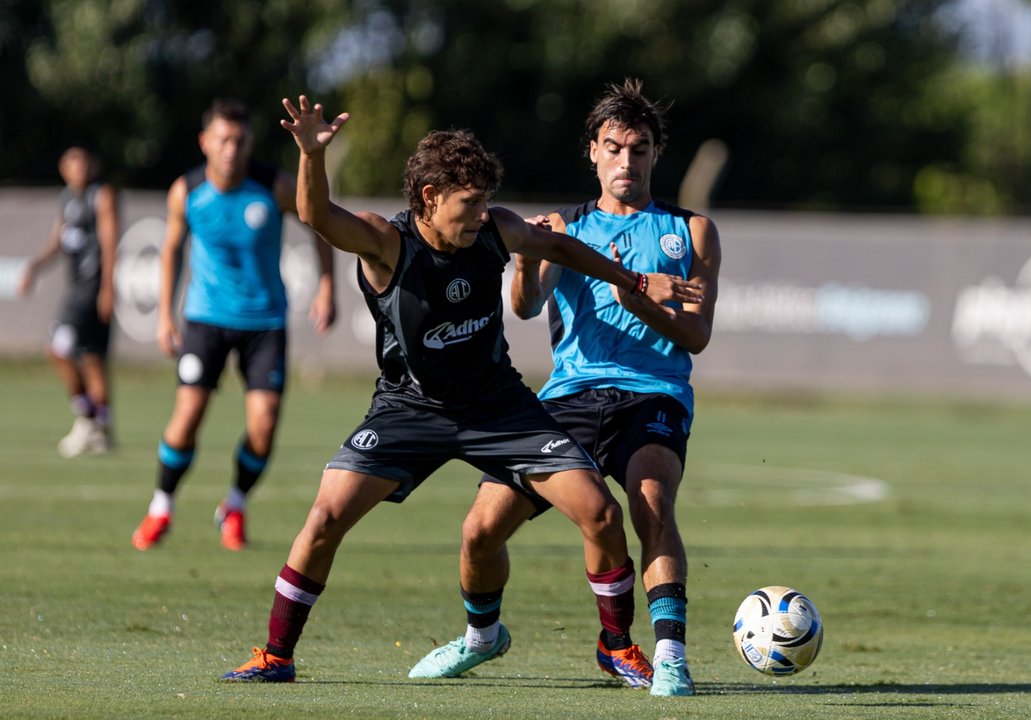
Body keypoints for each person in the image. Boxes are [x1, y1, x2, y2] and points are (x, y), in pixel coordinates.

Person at [219, 95, 703, 682]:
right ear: (429, 198)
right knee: (324, 518)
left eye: (485, 203)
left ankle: (615, 644)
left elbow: (556, 246)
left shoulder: (495, 231)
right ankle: (276, 655)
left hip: (499, 407)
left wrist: (631, 279)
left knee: (600, 515)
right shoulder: (386, 243)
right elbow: (317, 215)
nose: (482, 216)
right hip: (409, 409)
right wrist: (311, 156)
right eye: (470, 205)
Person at [409, 79, 721, 697]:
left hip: (652, 393)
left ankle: (668, 655)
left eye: (639, 149)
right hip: (566, 398)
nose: (626, 162)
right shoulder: (565, 225)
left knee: (651, 502)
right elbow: (524, 308)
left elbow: (696, 337)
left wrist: (637, 294)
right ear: (592, 152)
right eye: (613, 148)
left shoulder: (693, 231)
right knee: (480, 530)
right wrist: (526, 259)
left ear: (656, 153)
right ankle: (481, 637)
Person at [131, 98, 337, 552]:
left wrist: (327, 286)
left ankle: (235, 504)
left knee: (264, 425)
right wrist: (165, 313)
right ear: (205, 142)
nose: (231, 148)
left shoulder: (275, 187)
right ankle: (161, 506)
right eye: (223, 139)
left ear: (250, 143)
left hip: (265, 322)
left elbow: (318, 222)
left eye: (240, 140)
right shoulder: (187, 191)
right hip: (205, 319)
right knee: (186, 419)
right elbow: (171, 249)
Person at [18, 145, 120, 458]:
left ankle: (88, 418)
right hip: (77, 287)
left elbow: (110, 242)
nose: (78, 168)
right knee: (91, 358)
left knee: (58, 348)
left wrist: (107, 288)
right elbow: (57, 240)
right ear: (63, 168)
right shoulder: (68, 199)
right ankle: (101, 428)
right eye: (71, 163)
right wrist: (34, 266)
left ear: (92, 165)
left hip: (91, 290)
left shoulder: (101, 195)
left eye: (83, 162)